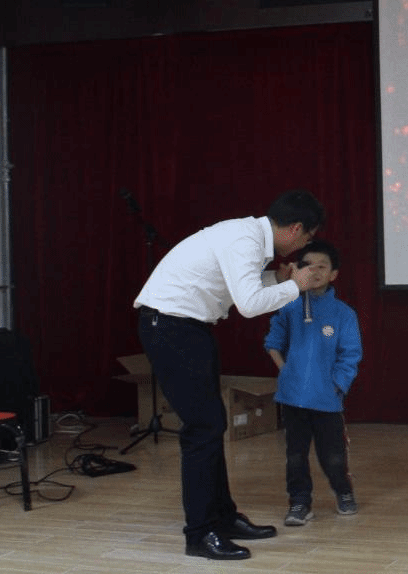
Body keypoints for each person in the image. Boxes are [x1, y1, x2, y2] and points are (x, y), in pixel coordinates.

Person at [133, 189, 326, 561]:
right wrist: (294, 285)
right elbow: (250, 305)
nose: (306, 245)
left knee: (212, 424)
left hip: (189, 327)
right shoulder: (245, 240)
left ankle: (222, 518)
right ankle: (199, 534)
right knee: (203, 428)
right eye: (308, 237)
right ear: (296, 228)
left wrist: (276, 280)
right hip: (171, 327)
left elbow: (241, 289)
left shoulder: (249, 237)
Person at [264, 239, 362, 527]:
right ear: (298, 270)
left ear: (333, 274)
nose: (315, 271)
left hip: (327, 399)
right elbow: (272, 342)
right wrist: (286, 371)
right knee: (295, 456)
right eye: (308, 265)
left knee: (333, 457)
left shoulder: (344, 313)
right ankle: (299, 503)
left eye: (322, 266)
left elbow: (350, 355)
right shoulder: (289, 305)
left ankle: (343, 491)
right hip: (292, 397)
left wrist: (337, 385)